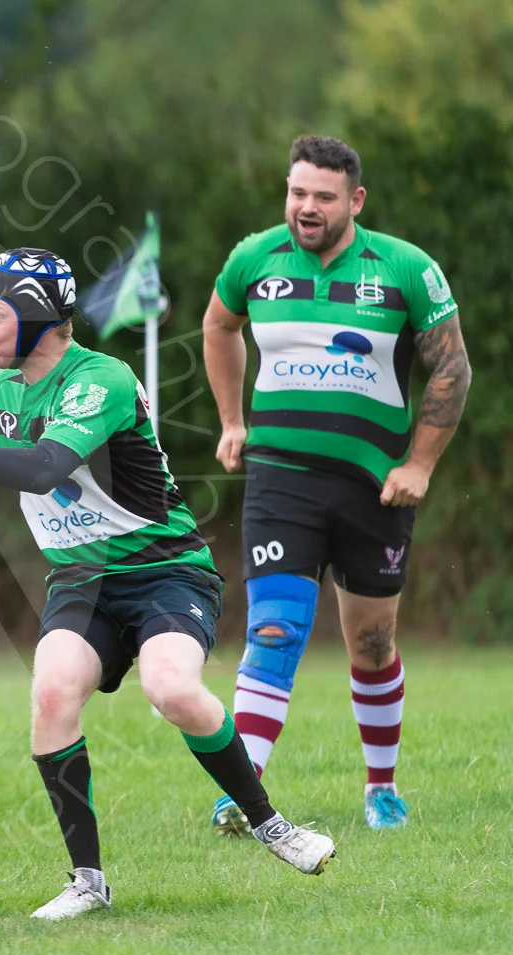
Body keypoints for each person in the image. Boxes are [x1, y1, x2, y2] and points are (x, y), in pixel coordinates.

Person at [0, 249, 336, 921]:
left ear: (39, 318)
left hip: (163, 569)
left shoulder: (99, 379)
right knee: (51, 692)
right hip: (80, 579)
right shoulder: (3, 392)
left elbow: (43, 466)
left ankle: (268, 822)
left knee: (171, 689)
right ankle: (87, 881)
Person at [202, 135, 471, 834]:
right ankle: (245, 791)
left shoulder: (406, 268)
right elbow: (218, 325)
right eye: (297, 193)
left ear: (354, 200)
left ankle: (380, 788)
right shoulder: (253, 259)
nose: (306, 207)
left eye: (323, 196)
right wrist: (232, 421)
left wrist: (419, 466)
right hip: (280, 480)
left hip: (373, 490)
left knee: (372, 644)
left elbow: (452, 370)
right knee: (275, 627)